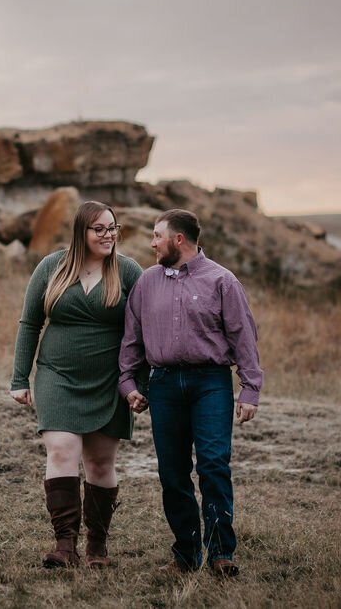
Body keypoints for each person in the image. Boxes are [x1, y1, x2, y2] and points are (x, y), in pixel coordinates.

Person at [118, 208, 263, 577]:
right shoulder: (146, 283)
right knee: (172, 472)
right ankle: (185, 555)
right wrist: (129, 384)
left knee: (214, 464)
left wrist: (249, 389)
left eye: (157, 236)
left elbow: (243, 336)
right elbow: (132, 339)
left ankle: (220, 553)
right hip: (163, 385)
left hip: (210, 383)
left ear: (178, 240)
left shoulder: (222, 281)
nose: (152, 243)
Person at [10, 201, 144, 569]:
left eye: (113, 228)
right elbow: (29, 323)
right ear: (80, 232)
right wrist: (20, 377)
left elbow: (147, 330)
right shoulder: (51, 267)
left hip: (109, 380)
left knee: (100, 462)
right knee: (60, 451)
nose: (109, 235)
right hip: (57, 375)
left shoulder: (129, 271)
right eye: (99, 229)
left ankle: (96, 548)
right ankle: (64, 545)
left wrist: (139, 382)